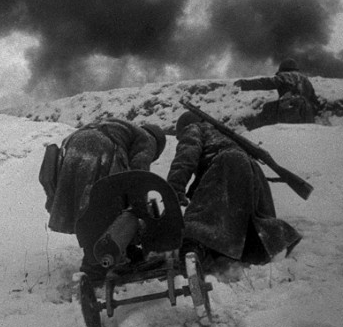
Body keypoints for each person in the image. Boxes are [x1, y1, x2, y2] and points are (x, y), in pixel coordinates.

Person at [166, 111, 302, 269]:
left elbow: (186, 157)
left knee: (199, 219)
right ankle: (276, 240)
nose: (179, 140)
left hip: (228, 165)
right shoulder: (220, 134)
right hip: (250, 171)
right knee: (246, 221)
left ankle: (192, 251)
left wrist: (173, 189)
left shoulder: (194, 128)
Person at [39, 119, 166, 274]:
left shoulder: (125, 129)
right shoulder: (149, 138)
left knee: (84, 206)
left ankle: (93, 258)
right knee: (107, 203)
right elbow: (139, 173)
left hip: (73, 143)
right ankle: (98, 262)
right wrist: (140, 205)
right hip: (101, 146)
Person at [234, 58, 319, 128]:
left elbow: (266, 83)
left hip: (291, 110)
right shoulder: (306, 80)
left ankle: (256, 133)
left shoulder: (285, 76)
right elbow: (314, 100)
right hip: (308, 114)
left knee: (268, 108)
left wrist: (244, 84)